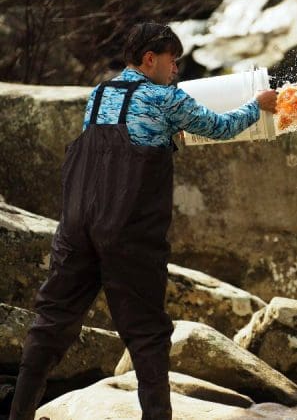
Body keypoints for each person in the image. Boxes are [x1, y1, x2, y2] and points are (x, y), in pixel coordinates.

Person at [9, 22, 277, 420]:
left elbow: (121, 142)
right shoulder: (165, 98)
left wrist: (167, 137)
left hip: (77, 226)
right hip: (128, 229)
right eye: (173, 61)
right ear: (150, 59)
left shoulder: (99, 94)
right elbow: (222, 127)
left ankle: (18, 414)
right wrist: (260, 104)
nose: (176, 71)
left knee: (51, 325)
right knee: (148, 334)